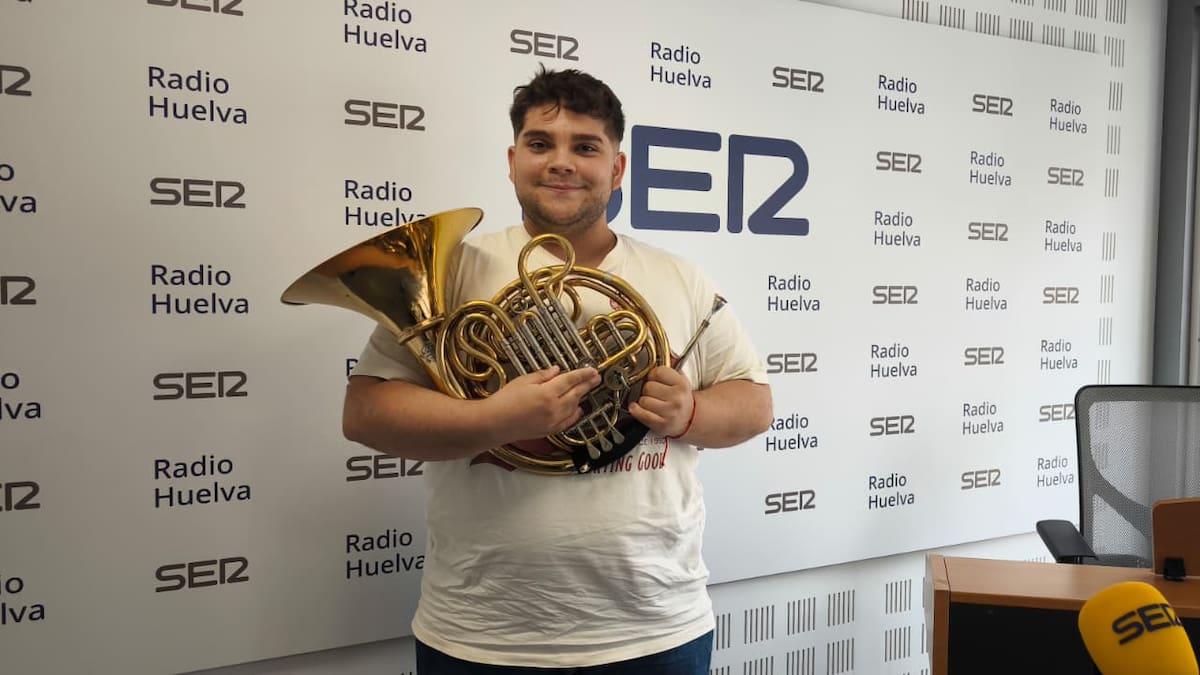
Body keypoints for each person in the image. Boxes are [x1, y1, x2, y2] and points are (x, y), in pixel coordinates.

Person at [343, 67, 773, 674]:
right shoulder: (455, 270)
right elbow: (366, 413)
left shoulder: (680, 277)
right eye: (541, 144)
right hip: (480, 631)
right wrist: (497, 418)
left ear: (617, 169)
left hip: (655, 626)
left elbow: (754, 405)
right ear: (513, 160)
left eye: (586, 147)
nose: (561, 162)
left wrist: (689, 412)